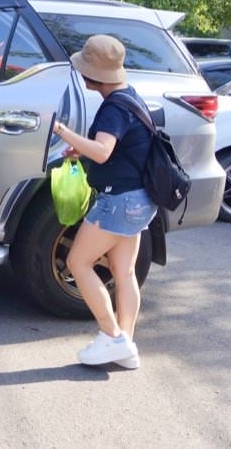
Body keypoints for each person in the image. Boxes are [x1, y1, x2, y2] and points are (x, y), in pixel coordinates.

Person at [53, 34, 156, 370]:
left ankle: (111, 336)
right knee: (124, 273)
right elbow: (115, 151)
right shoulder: (130, 98)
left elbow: (103, 151)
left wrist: (63, 132)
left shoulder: (113, 107)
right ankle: (126, 345)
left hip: (119, 201)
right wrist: (81, 148)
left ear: (92, 75)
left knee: (77, 263)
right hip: (140, 199)